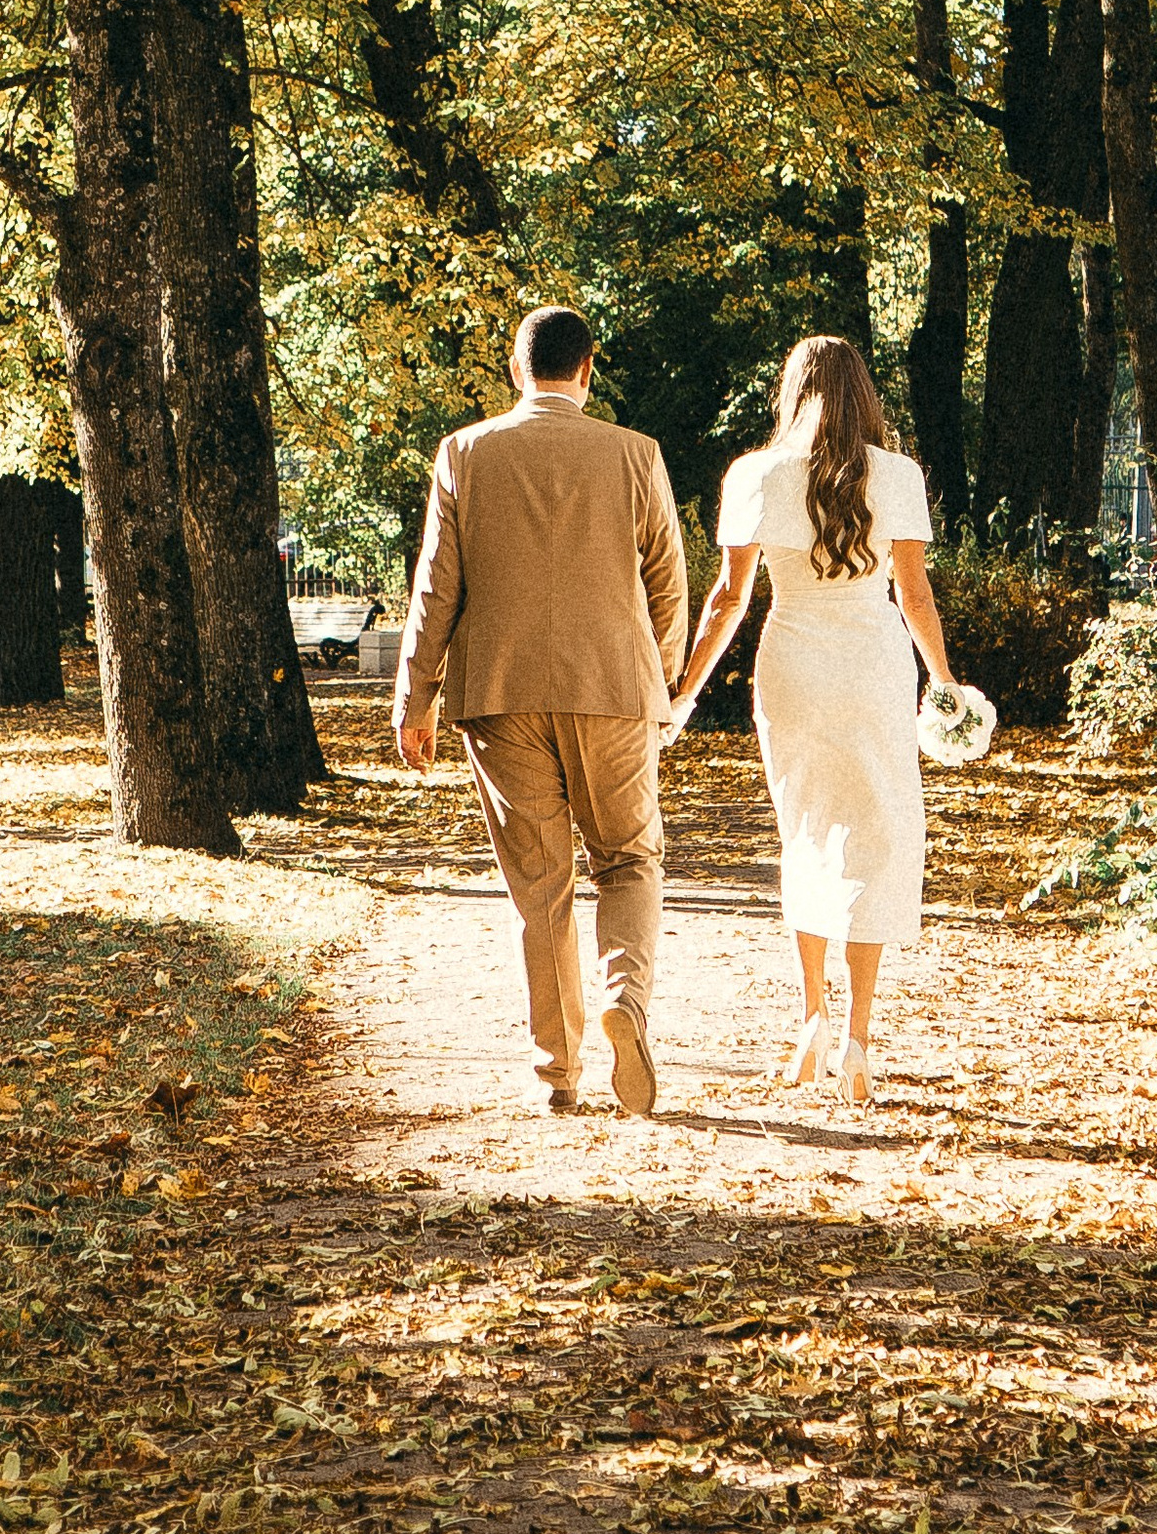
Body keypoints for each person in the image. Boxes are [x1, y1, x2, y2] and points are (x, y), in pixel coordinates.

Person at [393, 306, 688, 1116]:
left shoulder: (465, 452)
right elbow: (668, 578)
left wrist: (415, 697)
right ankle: (625, 1000)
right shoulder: (636, 454)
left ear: (516, 371)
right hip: (615, 689)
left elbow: (436, 583)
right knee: (629, 859)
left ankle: (560, 1071)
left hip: (501, 694)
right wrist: (661, 679)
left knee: (542, 886)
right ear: (587, 370)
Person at [665, 334, 951, 1111]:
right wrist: (946, 680)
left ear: (791, 391)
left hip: (791, 664)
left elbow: (729, 597)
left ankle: (811, 1018)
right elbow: (914, 594)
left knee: (806, 832)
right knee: (874, 836)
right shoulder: (897, 475)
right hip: (873, 663)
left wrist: (685, 691)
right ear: (864, 392)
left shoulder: (755, 474)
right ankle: (859, 1035)